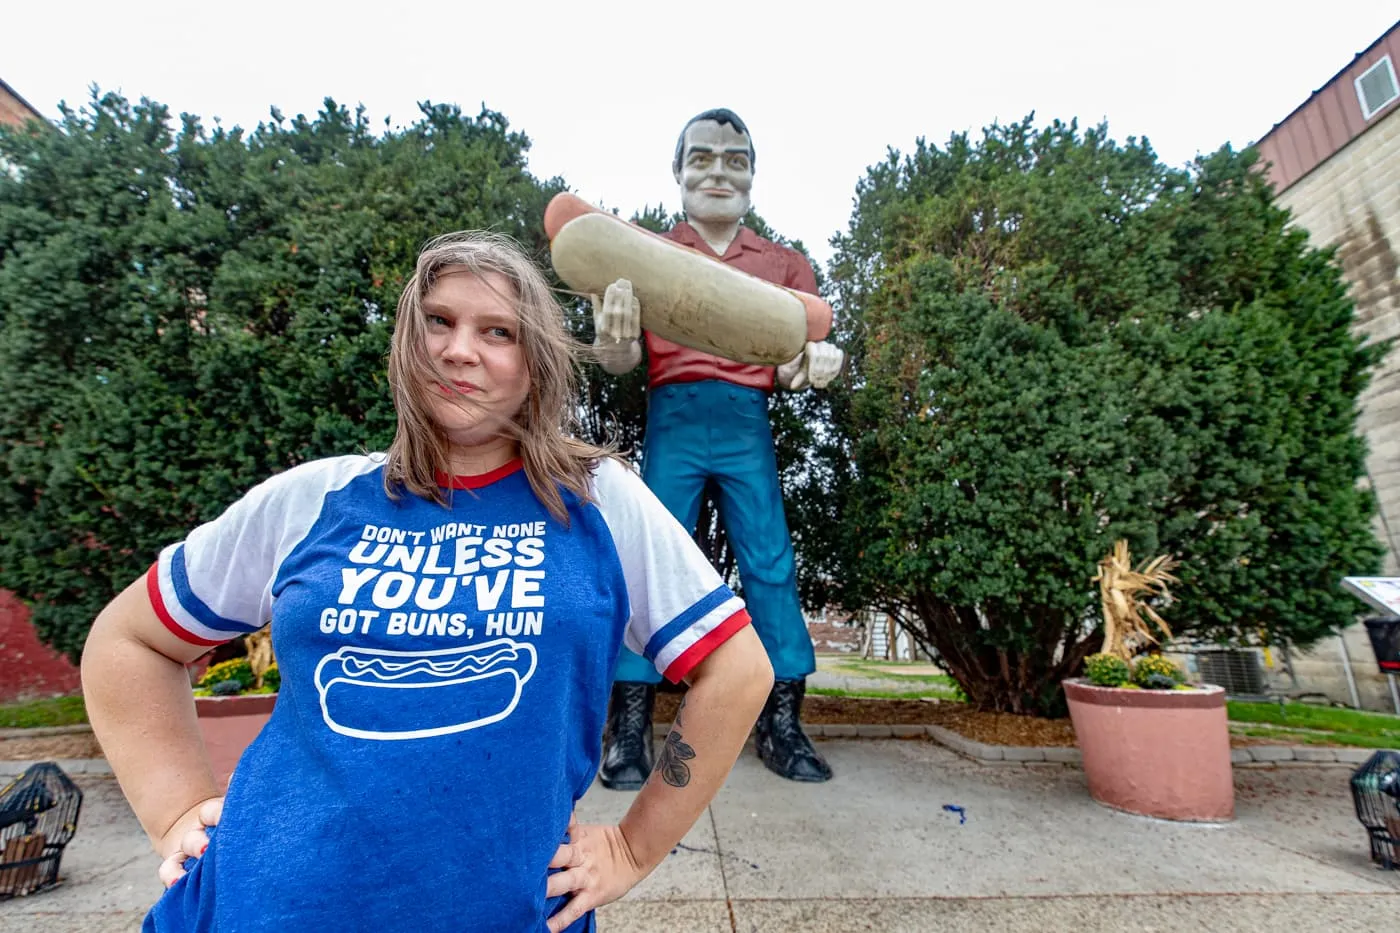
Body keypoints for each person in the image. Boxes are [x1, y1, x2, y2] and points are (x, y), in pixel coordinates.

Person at [80, 231, 774, 933]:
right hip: (251, 909)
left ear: (534, 363)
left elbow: (738, 671)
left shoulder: (595, 500)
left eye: (496, 331)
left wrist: (630, 847)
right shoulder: (313, 496)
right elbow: (128, 640)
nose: (458, 349)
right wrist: (174, 810)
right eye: (437, 321)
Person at [589, 108, 842, 789]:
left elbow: (794, 359)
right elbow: (618, 358)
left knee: (769, 559)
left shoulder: (785, 264)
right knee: (651, 560)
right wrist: (611, 338)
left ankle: (782, 721)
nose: (718, 172)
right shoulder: (646, 253)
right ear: (677, 173)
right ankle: (630, 724)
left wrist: (813, 364)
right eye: (701, 158)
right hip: (673, 412)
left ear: (753, 176)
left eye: (735, 160)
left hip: (743, 420)